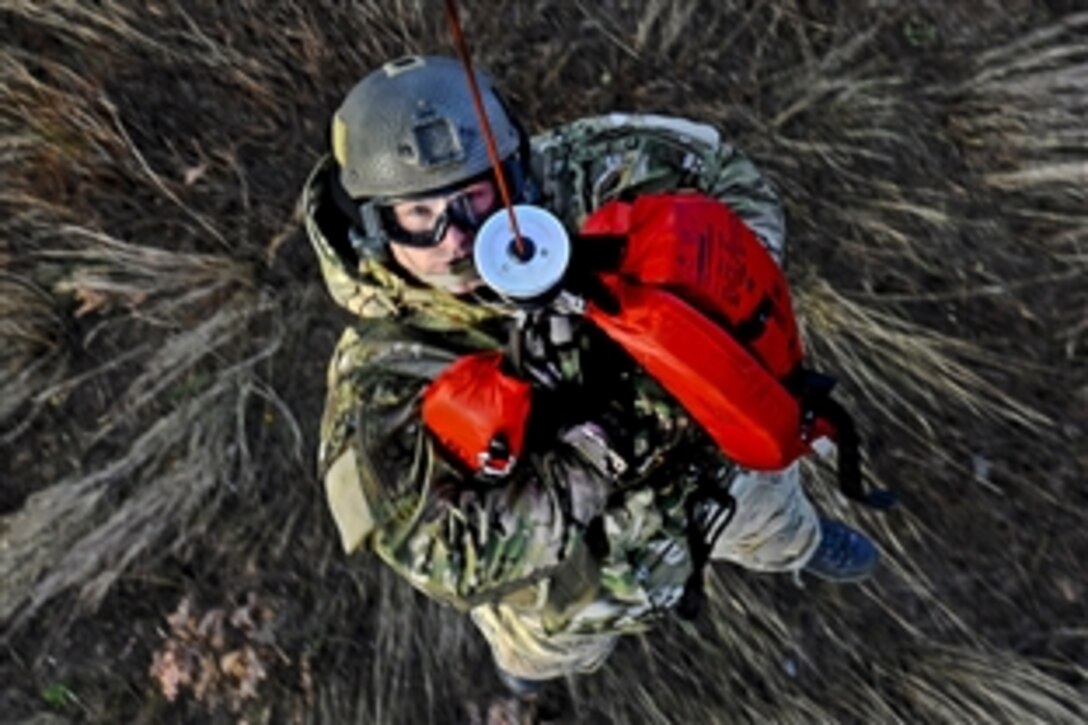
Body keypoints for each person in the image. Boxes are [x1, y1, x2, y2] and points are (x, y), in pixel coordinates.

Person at [303, 55, 879, 696]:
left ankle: (799, 548)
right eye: (420, 216)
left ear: (512, 172)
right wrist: (597, 445)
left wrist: (702, 322)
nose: (458, 238)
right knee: (546, 648)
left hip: (715, 463)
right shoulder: (381, 377)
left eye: (473, 197)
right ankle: (527, 678)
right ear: (374, 226)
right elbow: (446, 557)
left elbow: (731, 183)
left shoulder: (585, 173)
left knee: (769, 510)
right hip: (575, 585)